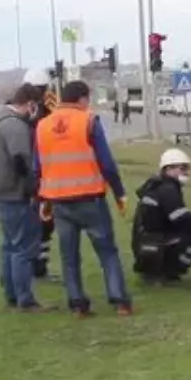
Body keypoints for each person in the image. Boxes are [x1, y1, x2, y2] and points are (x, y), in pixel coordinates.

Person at [33, 80, 134, 318]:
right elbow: (106, 163)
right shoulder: (88, 121)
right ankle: (119, 301)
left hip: (59, 201)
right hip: (90, 199)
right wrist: (119, 192)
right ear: (81, 98)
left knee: (69, 256)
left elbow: (37, 168)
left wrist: (43, 199)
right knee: (107, 251)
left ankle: (78, 304)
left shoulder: (43, 126)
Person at [0, 84, 52, 313]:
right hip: (16, 193)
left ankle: (12, 295)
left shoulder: (3, 123)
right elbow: (21, 161)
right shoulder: (15, 127)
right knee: (24, 247)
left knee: (9, 245)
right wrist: (34, 187)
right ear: (31, 104)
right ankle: (25, 299)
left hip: (1, 193)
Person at [131, 148, 191, 283]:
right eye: (183, 168)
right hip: (154, 243)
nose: (186, 172)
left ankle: (156, 269)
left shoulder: (157, 186)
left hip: (145, 243)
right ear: (169, 168)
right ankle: (171, 271)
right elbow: (181, 218)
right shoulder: (168, 189)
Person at [22, 67, 58, 280]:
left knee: (42, 222)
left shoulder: (24, 111)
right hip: (42, 175)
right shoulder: (45, 110)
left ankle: (37, 266)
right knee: (44, 222)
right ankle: (37, 267)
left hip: (35, 174)